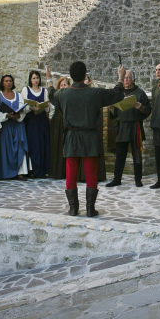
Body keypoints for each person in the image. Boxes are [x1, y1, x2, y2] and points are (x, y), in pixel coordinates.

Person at [46, 61, 125, 217]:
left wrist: (48, 79)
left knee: (71, 174)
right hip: (90, 137)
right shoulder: (94, 93)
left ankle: (73, 208)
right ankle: (90, 209)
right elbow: (117, 94)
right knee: (91, 174)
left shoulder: (63, 94)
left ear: (71, 76)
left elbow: (51, 94)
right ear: (84, 75)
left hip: (72, 137)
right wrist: (120, 77)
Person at [106, 70, 151, 188]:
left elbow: (147, 111)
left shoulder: (140, 93)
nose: (126, 80)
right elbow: (115, 113)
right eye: (124, 77)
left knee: (137, 154)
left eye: (128, 78)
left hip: (134, 126)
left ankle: (138, 179)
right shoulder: (118, 93)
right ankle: (117, 179)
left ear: (133, 79)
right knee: (120, 155)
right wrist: (111, 108)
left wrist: (141, 107)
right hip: (122, 127)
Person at [0, 74, 29, 180]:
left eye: (10, 81)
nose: (9, 83)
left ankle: (20, 172)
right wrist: (6, 115)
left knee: (19, 147)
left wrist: (18, 115)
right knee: (6, 149)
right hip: (6, 126)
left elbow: (22, 108)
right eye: (6, 81)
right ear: (2, 83)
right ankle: (6, 172)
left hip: (17, 125)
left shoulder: (18, 95)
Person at [21, 70, 53, 178]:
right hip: (31, 120)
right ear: (30, 79)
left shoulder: (44, 91)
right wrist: (31, 107)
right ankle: (33, 170)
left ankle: (43, 170)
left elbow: (47, 107)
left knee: (43, 143)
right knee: (33, 144)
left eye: (37, 78)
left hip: (41, 119)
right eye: (34, 78)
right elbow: (23, 105)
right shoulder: (26, 90)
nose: (36, 80)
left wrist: (46, 105)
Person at [49, 76, 69, 179]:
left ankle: (67, 171)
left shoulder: (70, 96)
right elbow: (51, 111)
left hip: (67, 123)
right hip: (57, 123)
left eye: (65, 84)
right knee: (57, 146)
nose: (63, 87)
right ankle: (57, 172)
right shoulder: (56, 96)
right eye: (61, 85)